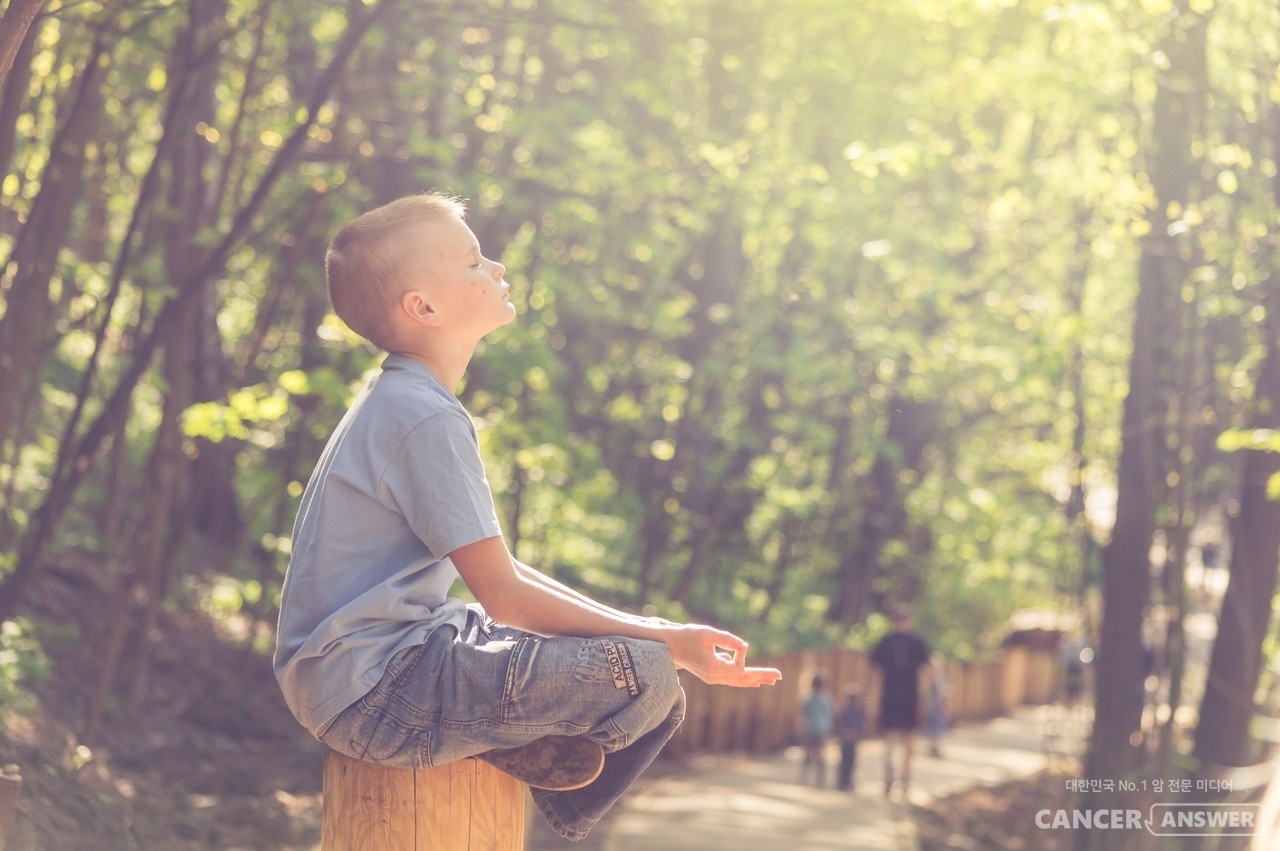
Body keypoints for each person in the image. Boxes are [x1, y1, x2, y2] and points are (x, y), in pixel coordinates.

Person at [273, 192, 781, 841]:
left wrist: (657, 626)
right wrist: (663, 641)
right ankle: (552, 803)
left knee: (643, 655)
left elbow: (501, 576)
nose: (499, 267)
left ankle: (508, 743)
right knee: (644, 672)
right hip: (376, 693)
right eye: (473, 260)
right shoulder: (422, 415)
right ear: (422, 307)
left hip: (387, 663)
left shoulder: (407, 398)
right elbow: (507, 596)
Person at [868, 605, 930, 799]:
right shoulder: (886, 642)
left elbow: (925, 672)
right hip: (890, 698)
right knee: (889, 741)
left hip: (909, 698)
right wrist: (872, 701)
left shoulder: (916, 642)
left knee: (909, 742)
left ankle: (904, 779)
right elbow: (875, 674)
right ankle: (889, 778)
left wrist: (924, 698)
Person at [799, 674, 834, 786]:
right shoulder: (826, 699)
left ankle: (804, 778)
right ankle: (820, 780)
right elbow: (831, 713)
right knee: (820, 755)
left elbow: (803, 712)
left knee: (808, 754)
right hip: (821, 729)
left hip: (810, 729)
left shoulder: (808, 699)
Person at [834, 686, 867, 792]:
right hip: (849, 739)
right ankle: (845, 782)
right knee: (847, 761)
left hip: (849, 739)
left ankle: (846, 782)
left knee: (848, 761)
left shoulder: (854, 711)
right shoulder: (853, 711)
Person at [925, 652, 950, 758]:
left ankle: (935, 747)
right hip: (933, 705)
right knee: (933, 727)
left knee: (937, 727)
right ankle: (932, 747)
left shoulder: (941, 676)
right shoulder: (930, 676)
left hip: (937, 705)